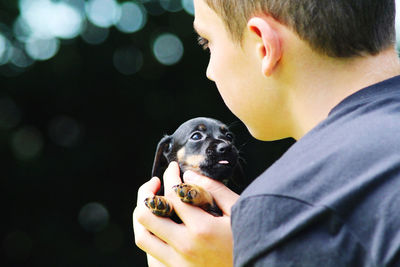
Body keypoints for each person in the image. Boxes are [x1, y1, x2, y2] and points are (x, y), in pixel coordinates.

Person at [133, 0, 400, 266]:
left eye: (207, 42)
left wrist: (247, 251)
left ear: (263, 45)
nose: (209, 72)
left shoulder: (286, 211)